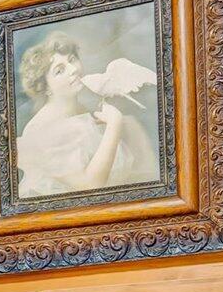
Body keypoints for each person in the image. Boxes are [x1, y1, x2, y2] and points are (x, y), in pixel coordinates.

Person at [11, 33, 159, 198]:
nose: (73, 69)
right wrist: (114, 124)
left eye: (72, 59)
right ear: (45, 86)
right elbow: (91, 186)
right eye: (60, 70)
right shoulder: (42, 132)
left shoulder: (81, 108)